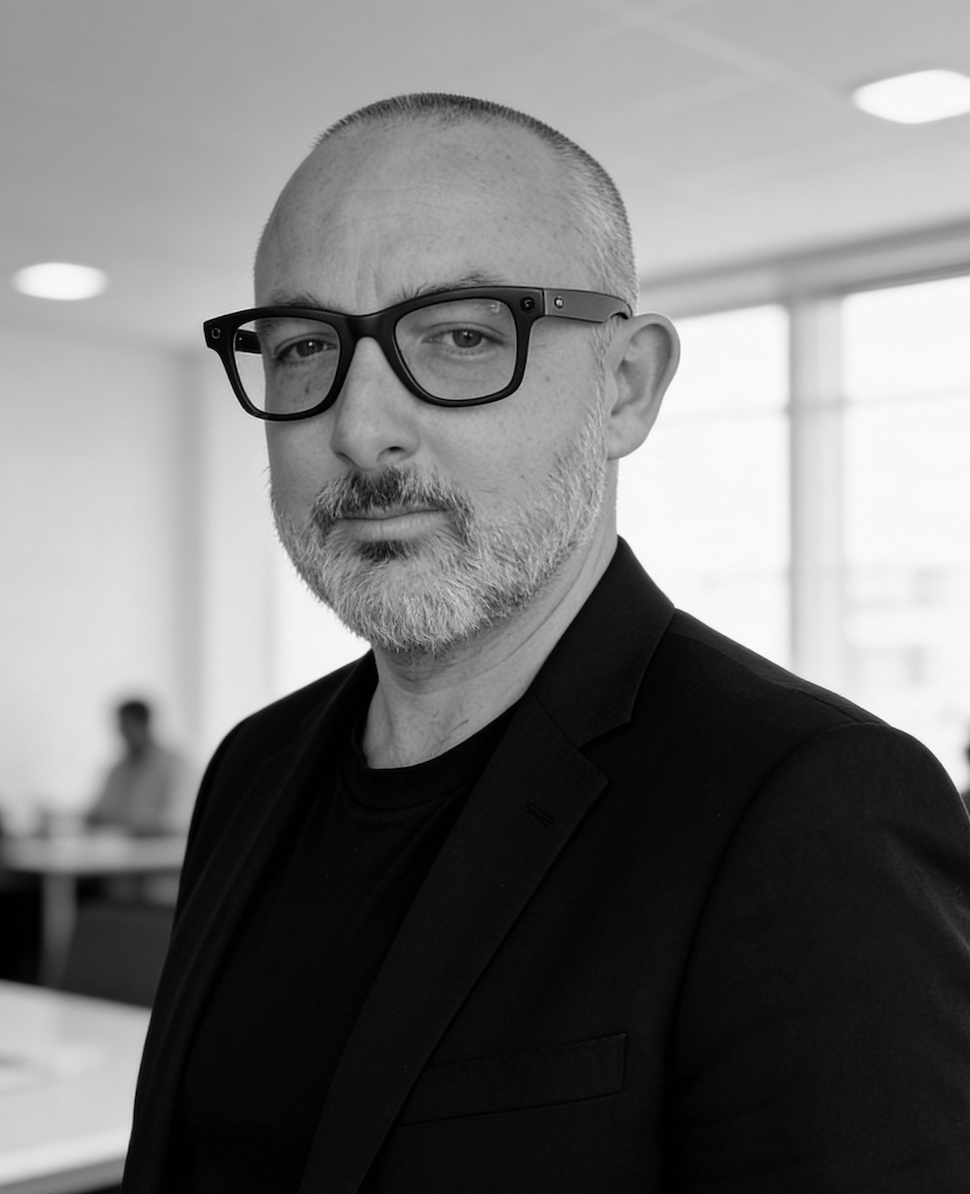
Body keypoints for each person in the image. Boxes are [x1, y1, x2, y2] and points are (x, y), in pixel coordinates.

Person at [123, 94, 970, 1193]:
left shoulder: (808, 805)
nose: (359, 429)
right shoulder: (251, 767)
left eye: (463, 337)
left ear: (626, 388)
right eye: (303, 348)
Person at [88, 699, 194, 837]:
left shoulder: (176, 766)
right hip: (124, 847)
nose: (123, 736)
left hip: (162, 849)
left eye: (128, 727)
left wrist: (127, 824)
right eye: (121, 729)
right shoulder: (119, 769)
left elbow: (175, 822)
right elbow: (100, 812)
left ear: (144, 724)